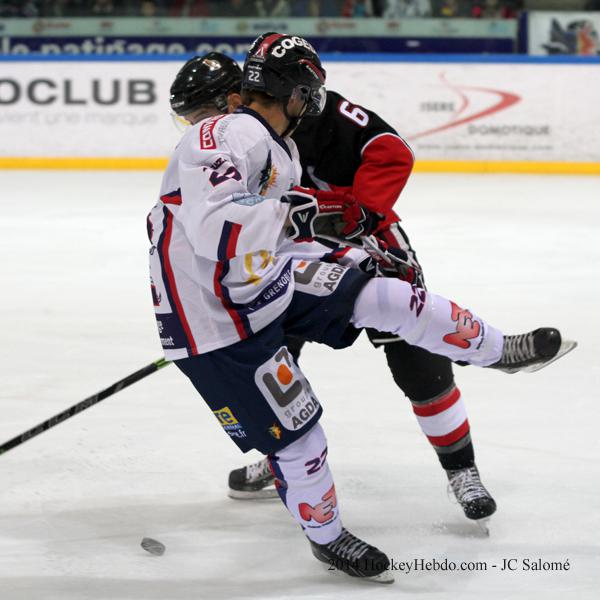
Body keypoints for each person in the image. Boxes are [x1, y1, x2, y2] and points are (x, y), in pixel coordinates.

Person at [148, 33, 573, 582]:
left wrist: (340, 237)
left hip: (263, 274)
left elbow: (362, 170)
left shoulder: (277, 138)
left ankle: (494, 353)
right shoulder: (225, 135)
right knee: (299, 434)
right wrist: (304, 220)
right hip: (218, 312)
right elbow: (216, 229)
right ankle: (319, 525)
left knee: (389, 300)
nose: (205, 118)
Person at [167, 51, 502, 527]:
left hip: (359, 241)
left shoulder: (304, 106)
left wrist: (358, 214)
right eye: (191, 118)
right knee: (272, 356)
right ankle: (282, 449)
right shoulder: (225, 146)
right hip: (285, 255)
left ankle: (462, 471)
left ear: (237, 98)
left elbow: (390, 149)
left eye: (202, 113)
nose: (198, 126)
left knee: (417, 362)